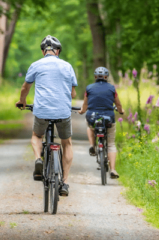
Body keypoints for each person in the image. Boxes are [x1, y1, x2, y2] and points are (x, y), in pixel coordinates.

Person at [15, 35, 77, 196]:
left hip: (42, 110)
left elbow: (25, 88)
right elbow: (73, 93)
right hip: (63, 111)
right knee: (67, 143)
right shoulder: (67, 66)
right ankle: (65, 183)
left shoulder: (35, 65)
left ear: (43, 51)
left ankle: (38, 159)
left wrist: (22, 101)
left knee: (36, 136)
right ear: (58, 51)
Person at [79, 67, 124, 179]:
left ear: (95, 77)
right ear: (106, 77)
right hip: (108, 118)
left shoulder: (89, 88)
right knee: (111, 144)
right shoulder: (112, 88)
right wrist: (121, 111)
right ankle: (113, 169)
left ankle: (92, 145)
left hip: (93, 117)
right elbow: (118, 104)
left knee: (89, 125)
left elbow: (85, 105)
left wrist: (82, 111)